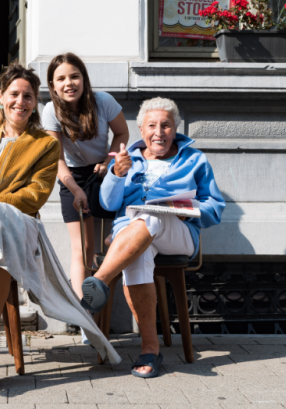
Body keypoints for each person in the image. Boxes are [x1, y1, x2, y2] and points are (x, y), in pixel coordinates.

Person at [0, 62, 121, 393]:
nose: (20, 101)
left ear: (34, 102)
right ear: (1, 98)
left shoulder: (45, 145)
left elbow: (34, 196)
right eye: (14, 94)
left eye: (28, 96)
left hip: (19, 226)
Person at [80, 97, 225, 378]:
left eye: (166, 125)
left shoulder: (194, 160)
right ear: (141, 130)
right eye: (152, 125)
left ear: (176, 129)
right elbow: (110, 205)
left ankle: (99, 281)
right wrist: (115, 174)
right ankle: (150, 349)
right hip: (133, 234)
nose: (159, 132)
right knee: (138, 254)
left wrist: (188, 210)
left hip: (179, 233)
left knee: (153, 216)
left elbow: (215, 208)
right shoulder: (129, 159)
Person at [42, 53, 129, 344]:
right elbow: (55, 158)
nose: (69, 83)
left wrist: (109, 159)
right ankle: (85, 319)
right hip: (71, 177)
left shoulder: (103, 101)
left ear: (84, 78)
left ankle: (104, 309)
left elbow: (122, 133)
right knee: (82, 249)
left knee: (104, 246)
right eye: (61, 79)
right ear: (52, 86)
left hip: (104, 172)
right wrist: (74, 188)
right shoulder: (50, 111)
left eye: (74, 76)